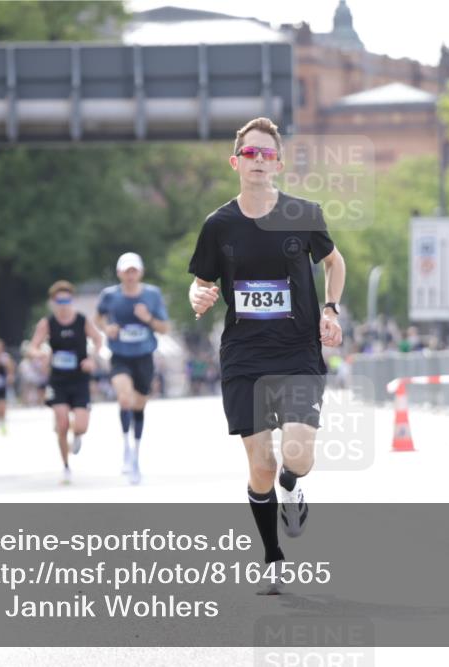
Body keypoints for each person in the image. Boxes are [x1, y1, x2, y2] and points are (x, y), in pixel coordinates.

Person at [187, 117, 345, 594]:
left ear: (278, 162)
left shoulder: (304, 214)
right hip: (244, 355)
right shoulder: (219, 225)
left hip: (298, 348)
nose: (258, 161)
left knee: (297, 454)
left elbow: (334, 262)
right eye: (249, 154)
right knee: (260, 466)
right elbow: (202, 281)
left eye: (266, 154)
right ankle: (273, 557)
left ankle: (293, 489)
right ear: (236, 162)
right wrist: (198, 295)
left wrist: (331, 308)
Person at [96, 252, 170, 484]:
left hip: (144, 356)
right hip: (120, 356)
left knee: (139, 405)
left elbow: (164, 328)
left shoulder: (152, 295)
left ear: (140, 272)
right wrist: (107, 328)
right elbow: (98, 318)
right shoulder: (109, 295)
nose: (130, 275)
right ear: (119, 273)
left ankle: (136, 449)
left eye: (134, 271)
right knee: (125, 399)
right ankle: (126, 447)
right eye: (126, 271)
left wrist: (148, 318)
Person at [29, 281, 104, 484]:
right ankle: (66, 466)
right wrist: (40, 354)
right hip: (58, 380)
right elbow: (32, 347)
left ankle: (76, 434)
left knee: (81, 426)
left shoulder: (81, 321)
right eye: (60, 300)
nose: (64, 304)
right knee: (62, 423)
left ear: (72, 300)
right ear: (53, 302)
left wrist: (92, 358)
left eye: (67, 300)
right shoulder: (47, 323)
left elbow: (98, 340)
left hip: (79, 379)